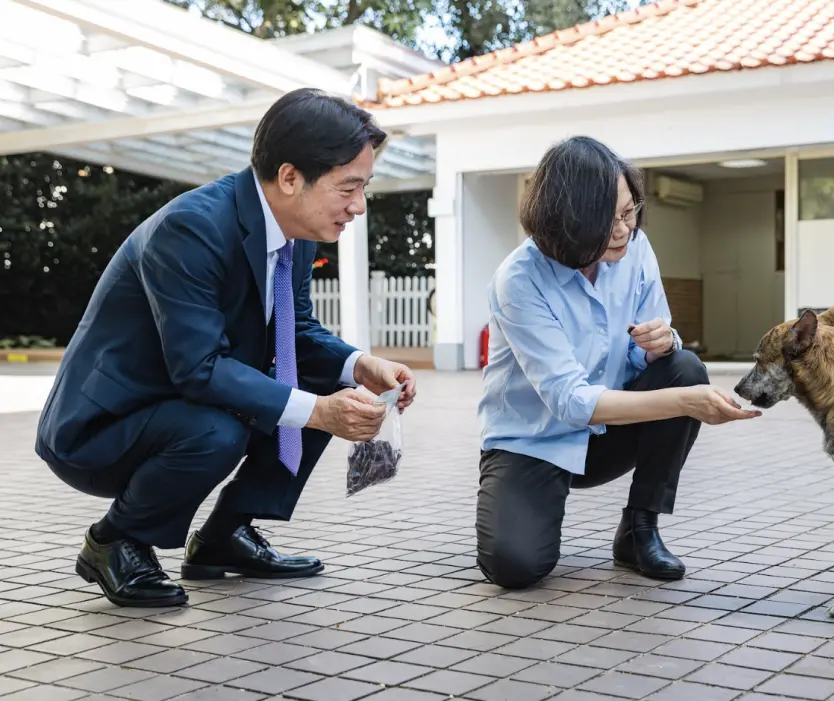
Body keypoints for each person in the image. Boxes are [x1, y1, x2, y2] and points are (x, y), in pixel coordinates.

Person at [34, 88, 417, 608]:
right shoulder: (190, 229)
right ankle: (114, 541)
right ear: (288, 178)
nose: (360, 205)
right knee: (221, 429)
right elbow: (199, 369)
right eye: (348, 187)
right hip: (102, 428)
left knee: (330, 382)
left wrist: (359, 365)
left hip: (179, 404)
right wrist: (320, 414)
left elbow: (296, 331)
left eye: (364, 186)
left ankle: (222, 538)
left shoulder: (297, 231)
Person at [475, 136, 762, 589]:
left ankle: (638, 529)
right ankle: (531, 503)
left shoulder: (637, 250)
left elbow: (648, 351)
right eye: (605, 220)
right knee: (514, 566)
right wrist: (685, 403)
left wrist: (662, 343)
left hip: (608, 435)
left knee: (685, 366)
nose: (623, 230)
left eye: (629, 212)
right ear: (566, 222)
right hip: (534, 441)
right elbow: (569, 402)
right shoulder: (519, 279)